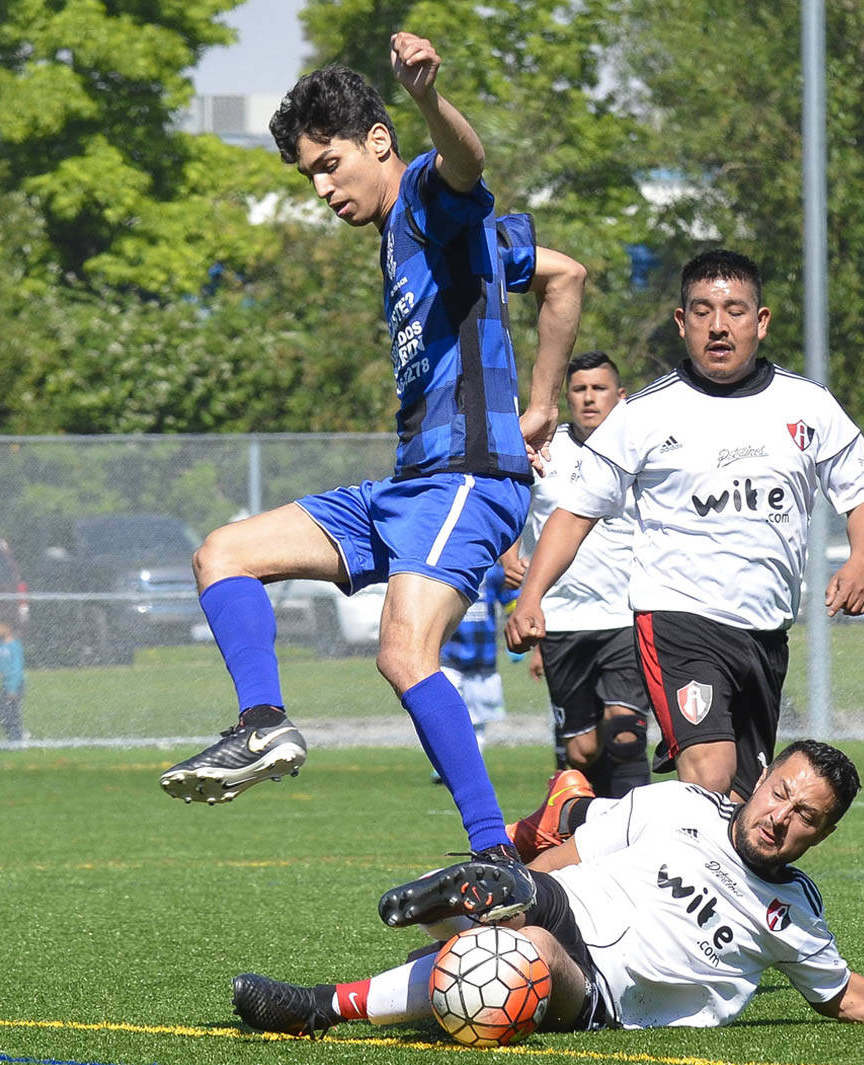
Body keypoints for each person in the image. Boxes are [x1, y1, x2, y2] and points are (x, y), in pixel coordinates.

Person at [160, 33, 587, 924]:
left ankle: (494, 857)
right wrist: (542, 401)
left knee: (403, 653)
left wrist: (429, 97)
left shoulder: (426, 199)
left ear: (379, 142)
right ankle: (262, 724)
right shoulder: (420, 240)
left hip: (467, 476)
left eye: (330, 164)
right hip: (408, 485)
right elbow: (566, 276)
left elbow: (466, 164)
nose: (322, 189)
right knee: (222, 553)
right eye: (309, 175)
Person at [229, 739, 864, 1035]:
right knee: (519, 903)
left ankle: (322, 1006)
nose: (781, 819)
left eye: (806, 818)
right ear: (760, 783)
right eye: (780, 795)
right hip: (564, 904)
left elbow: (847, 997)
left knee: (519, 953)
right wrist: (516, 885)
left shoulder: (792, 914)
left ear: (820, 837)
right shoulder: (679, 804)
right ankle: (472, 900)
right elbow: (567, 861)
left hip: (603, 991)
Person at [506, 250, 864, 802]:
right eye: (703, 311)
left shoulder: (808, 405)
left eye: (735, 310)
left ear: (761, 321)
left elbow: (863, 494)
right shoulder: (643, 414)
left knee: (743, 804)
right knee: (708, 776)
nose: (718, 325)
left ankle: (576, 822)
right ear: (682, 322)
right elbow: (574, 513)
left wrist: (861, 561)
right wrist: (531, 596)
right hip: (677, 618)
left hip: (764, 630)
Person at [503, 351, 651, 798]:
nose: (589, 398)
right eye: (580, 389)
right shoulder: (543, 450)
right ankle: (590, 823)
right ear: (566, 398)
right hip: (562, 619)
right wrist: (509, 555)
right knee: (582, 750)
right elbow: (508, 504)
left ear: (620, 395)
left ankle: (636, 825)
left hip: (625, 615)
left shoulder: (640, 450)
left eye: (599, 389)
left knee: (626, 734)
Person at [431, 560, 517, 784]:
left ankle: (472, 764)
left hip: (483, 655)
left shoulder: (493, 570)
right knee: (447, 710)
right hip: (448, 653)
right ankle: (447, 764)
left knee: (478, 717)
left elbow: (509, 599)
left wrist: (515, 626)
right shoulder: (446, 565)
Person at [0, 620, 25, 743]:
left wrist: (13, 689)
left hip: (15, 685)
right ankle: (15, 736)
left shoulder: (15, 646)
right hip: (5, 685)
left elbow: (17, 668)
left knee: (12, 713)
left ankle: (17, 738)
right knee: (0, 712)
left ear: (7, 628)